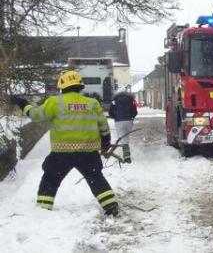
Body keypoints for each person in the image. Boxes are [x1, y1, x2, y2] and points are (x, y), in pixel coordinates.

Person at [8, 70, 119, 216]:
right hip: (88, 152)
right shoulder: (92, 103)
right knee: (96, 178)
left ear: (62, 86)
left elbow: (36, 116)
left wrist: (23, 104)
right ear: (80, 86)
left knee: (50, 178)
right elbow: (103, 126)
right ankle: (111, 206)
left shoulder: (55, 102)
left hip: (62, 153)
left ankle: (43, 209)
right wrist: (105, 143)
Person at [108, 90, 137, 163]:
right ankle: (126, 154)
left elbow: (110, 112)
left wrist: (115, 116)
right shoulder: (131, 100)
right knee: (126, 138)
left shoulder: (114, 100)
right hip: (129, 121)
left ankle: (127, 156)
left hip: (119, 121)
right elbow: (135, 111)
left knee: (123, 139)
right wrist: (131, 117)